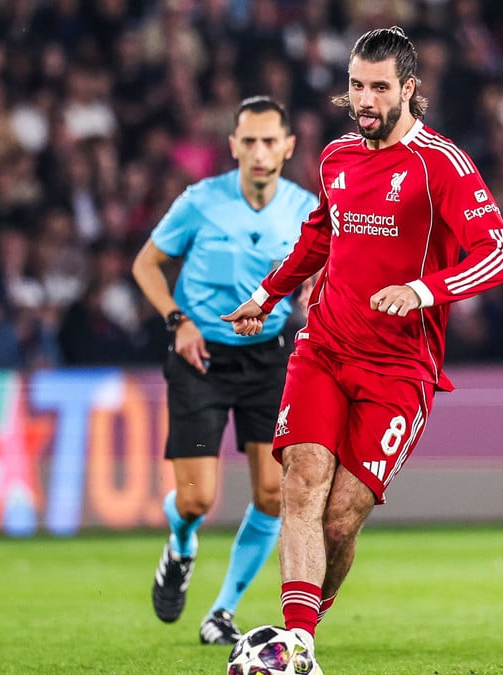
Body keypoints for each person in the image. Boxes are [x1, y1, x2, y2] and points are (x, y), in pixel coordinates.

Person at [221, 26, 503, 665]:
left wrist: (422, 290)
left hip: (399, 369)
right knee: (301, 482)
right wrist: (267, 295)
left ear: (409, 89)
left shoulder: (441, 164)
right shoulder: (336, 158)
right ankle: (297, 644)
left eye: (379, 88)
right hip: (324, 349)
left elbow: (499, 254)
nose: (364, 99)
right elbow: (319, 236)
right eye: (356, 85)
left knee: (339, 520)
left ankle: (304, 627)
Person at [132, 96, 316, 644]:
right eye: (249, 141)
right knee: (195, 499)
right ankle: (181, 544)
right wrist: (178, 321)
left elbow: (316, 278)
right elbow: (146, 264)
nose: (259, 152)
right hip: (201, 361)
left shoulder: (307, 210)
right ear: (233, 146)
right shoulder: (200, 202)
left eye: (269, 142)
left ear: (288, 147)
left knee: (273, 495)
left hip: (269, 359)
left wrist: (311, 295)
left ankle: (222, 612)